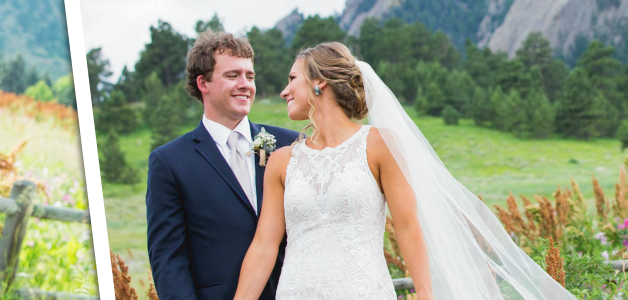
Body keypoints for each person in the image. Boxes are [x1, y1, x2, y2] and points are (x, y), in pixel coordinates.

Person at [231, 42, 574, 300]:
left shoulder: (380, 145)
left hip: (362, 290)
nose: (284, 90)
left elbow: (409, 227)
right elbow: (264, 245)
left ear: (318, 82)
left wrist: (425, 295)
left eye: (292, 79)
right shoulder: (282, 161)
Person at [143, 31, 299, 300]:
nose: (245, 85)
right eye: (232, 76)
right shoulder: (170, 162)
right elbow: (168, 259)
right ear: (203, 83)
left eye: (249, 76)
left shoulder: (288, 144)